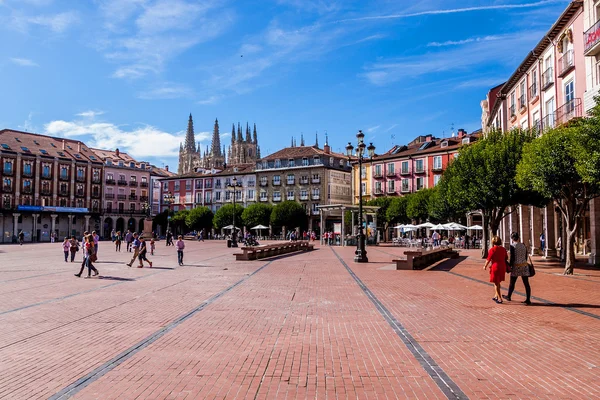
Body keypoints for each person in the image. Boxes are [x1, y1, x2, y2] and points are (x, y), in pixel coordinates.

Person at [504, 232, 532, 305]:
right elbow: (526, 256)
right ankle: (528, 299)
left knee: (512, 283)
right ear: (518, 237)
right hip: (524, 265)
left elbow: (512, 257)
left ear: (512, 238)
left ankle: (509, 296)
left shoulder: (512, 246)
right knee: (526, 283)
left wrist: (510, 265)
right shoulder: (523, 245)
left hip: (516, 266)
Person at [483, 236, 509, 304]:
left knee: (496, 283)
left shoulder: (492, 249)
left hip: (495, 267)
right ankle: (495, 295)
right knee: (498, 282)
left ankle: (500, 298)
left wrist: (485, 266)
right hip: (502, 266)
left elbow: (488, 259)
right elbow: (506, 257)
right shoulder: (503, 249)